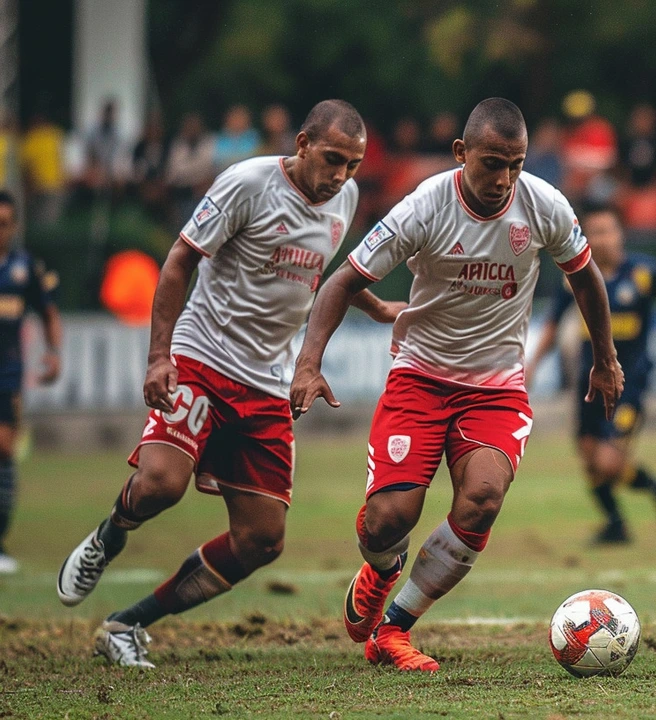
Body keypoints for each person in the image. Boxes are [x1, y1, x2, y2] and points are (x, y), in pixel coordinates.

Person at [55, 100, 404, 668]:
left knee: (262, 541)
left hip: (266, 382)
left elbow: (322, 271)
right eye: (333, 159)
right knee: (160, 486)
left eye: (353, 164)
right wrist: (158, 357)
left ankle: (127, 624)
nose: (341, 175)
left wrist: (372, 304)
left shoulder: (346, 197)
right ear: (301, 144)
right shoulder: (246, 184)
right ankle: (110, 534)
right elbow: (178, 262)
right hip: (202, 357)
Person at [289, 98, 623, 673]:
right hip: (420, 377)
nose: (505, 179)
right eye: (493, 163)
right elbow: (343, 280)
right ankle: (382, 568)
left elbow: (586, 276)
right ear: (461, 154)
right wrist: (308, 362)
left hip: (496, 388)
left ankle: (393, 629)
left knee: (484, 497)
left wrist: (604, 356)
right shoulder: (424, 207)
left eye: (516, 164)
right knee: (389, 520)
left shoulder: (543, 204)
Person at [528, 206, 656, 545]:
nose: (602, 239)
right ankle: (616, 524)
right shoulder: (575, 277)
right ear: (586, 239)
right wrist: (533, 364)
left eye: (608, 231)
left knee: (609, 463)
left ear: (620, 235)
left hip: (630, 383)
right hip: (589, 381)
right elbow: (552, 324)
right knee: (587, 455)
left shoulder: (642, 272)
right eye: (594, 232)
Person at [0, 191, 62, 573]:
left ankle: (0, 544)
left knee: (4, 451)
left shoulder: (26, 268)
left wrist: (53, 352)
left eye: (5, 223)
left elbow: (49, 312)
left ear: (15, 227)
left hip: (6, 373)